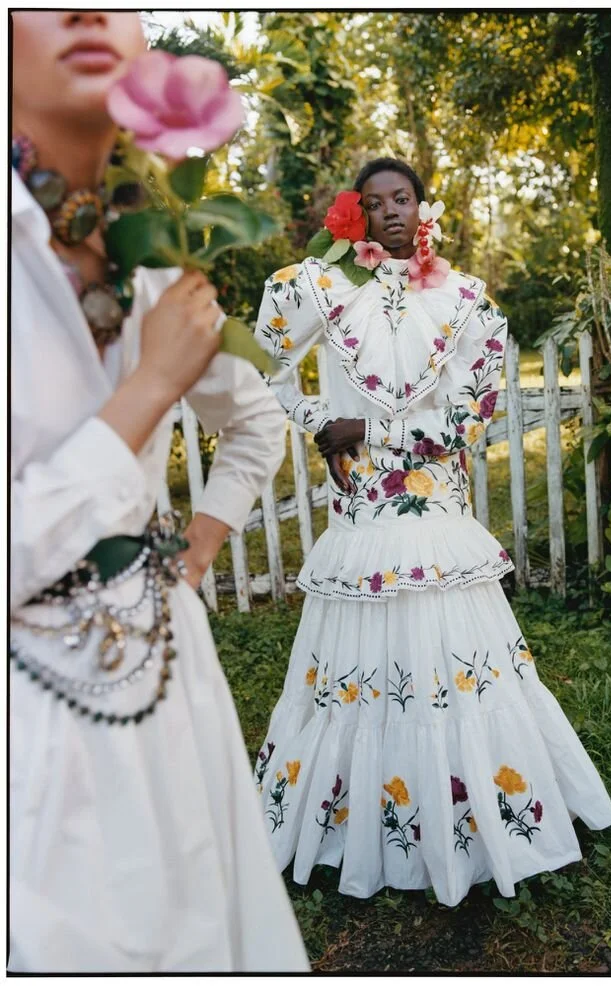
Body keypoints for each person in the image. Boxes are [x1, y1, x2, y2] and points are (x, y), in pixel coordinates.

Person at [9, 11, 309, 972]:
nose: (87, 11)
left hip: (175, 690)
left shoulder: (154, 253)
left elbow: (258, 422)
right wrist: (145, 391)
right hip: (31, 735)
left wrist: (200, 552)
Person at [252, 157, 611, 907]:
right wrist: (324, 421)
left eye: (403, 198)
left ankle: (480, 821)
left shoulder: (464, 298)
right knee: (359, 674)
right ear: (356, 212)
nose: (391, 210)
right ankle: (356, 827)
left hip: (432, 509)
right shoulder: (327, 288)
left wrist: (378, 433)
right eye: (374, 201)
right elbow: (271, 361)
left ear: (423, 208)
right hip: (362, 518)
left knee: (453, 668)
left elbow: (474, 415)